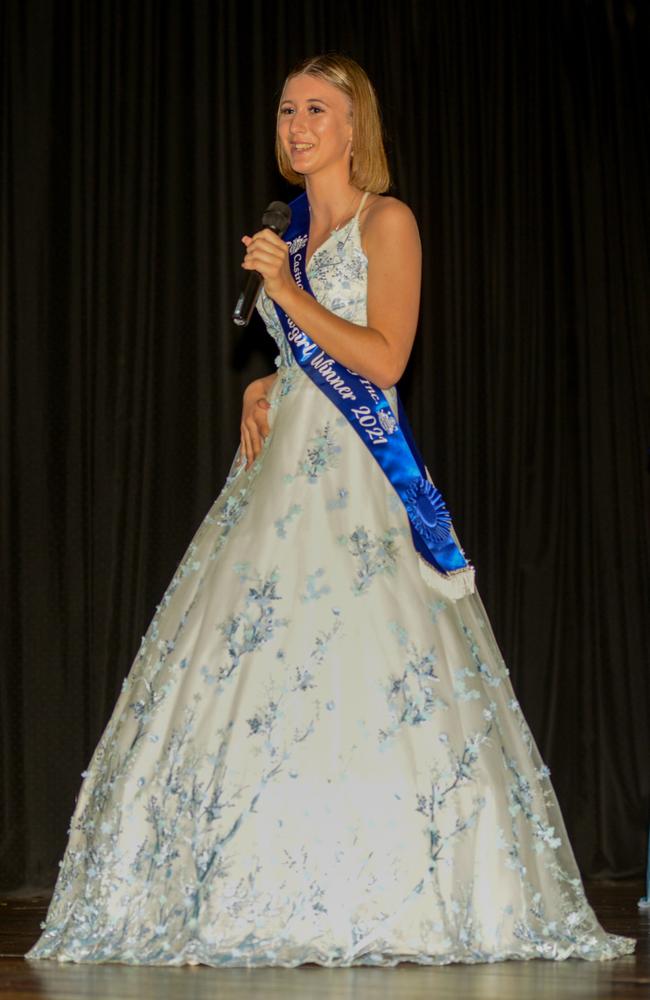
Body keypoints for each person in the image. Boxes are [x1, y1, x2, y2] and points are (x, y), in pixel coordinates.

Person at [26, 53, 635, 968]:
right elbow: (316, 352)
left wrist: (288, 295)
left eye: (318, 109)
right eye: (286, 110)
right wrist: (265, 380)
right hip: (280, 476)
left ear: (356, 129)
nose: (297, 124)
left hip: (356, 477)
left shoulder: (388, 222)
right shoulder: (292, 233)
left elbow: (383, 360)